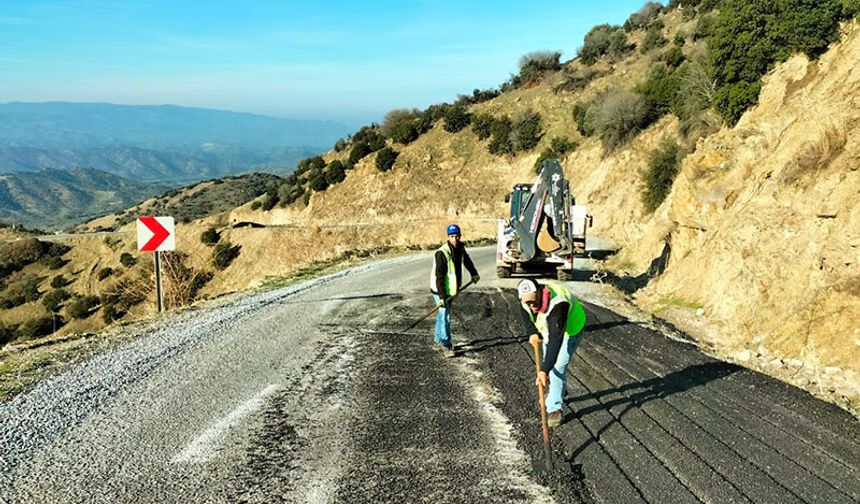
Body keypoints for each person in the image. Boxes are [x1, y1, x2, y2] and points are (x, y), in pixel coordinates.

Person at [517, 278, 586, 427]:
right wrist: (532, 332)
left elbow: (556, 339)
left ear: (540, 291)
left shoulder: (558, 303)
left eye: (533, 301)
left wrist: (544, 370)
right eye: (528, 302)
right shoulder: (525, 300)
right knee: (551, 367)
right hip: (550, 330)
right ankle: (558, 389)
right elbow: (525, 311)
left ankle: (554, 408)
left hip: (570, 330)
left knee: (557, 366)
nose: (532, 305)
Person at [429, 224, 480, 357]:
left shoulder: (460, 248)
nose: (455, 239)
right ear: (448, 237)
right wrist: (442, 297)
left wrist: (474, 273)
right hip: (440, 290)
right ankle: (446, 346)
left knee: (442, 316)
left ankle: (437, 341)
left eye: (457, 236)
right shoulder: (442, 253)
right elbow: (439, 277)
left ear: (460, 236)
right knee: (445, 317)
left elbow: (467, 261)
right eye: (452, 236)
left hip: (451, 289)